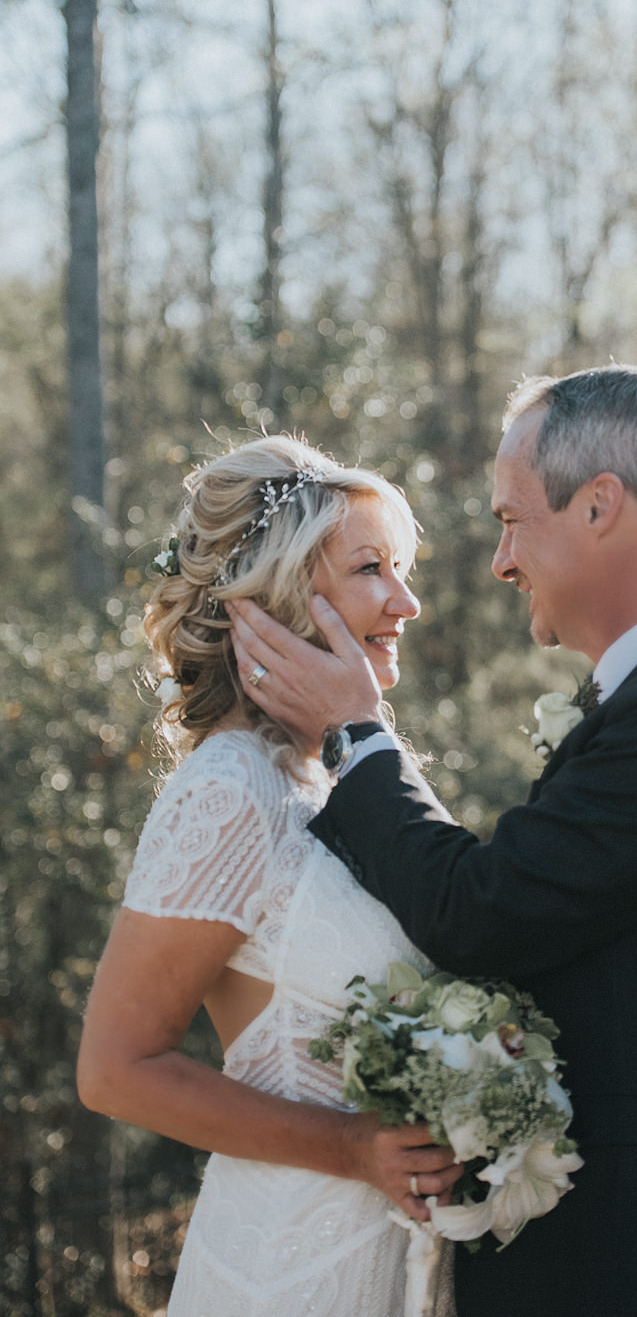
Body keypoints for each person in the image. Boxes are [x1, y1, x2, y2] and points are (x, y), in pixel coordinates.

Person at [228, 364, 637, 1317]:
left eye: (514, 521)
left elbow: (484, 915)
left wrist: (358, 733)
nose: (502, 560)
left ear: (600, 506)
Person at [76, 435, 463, 1317]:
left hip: (403, 1259)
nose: (406, 602)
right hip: (289, 1268)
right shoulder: (230, 786)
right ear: (283, 594)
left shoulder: (335, 777)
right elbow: (113, 1068)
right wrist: (354, 1149)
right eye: (373, 569)